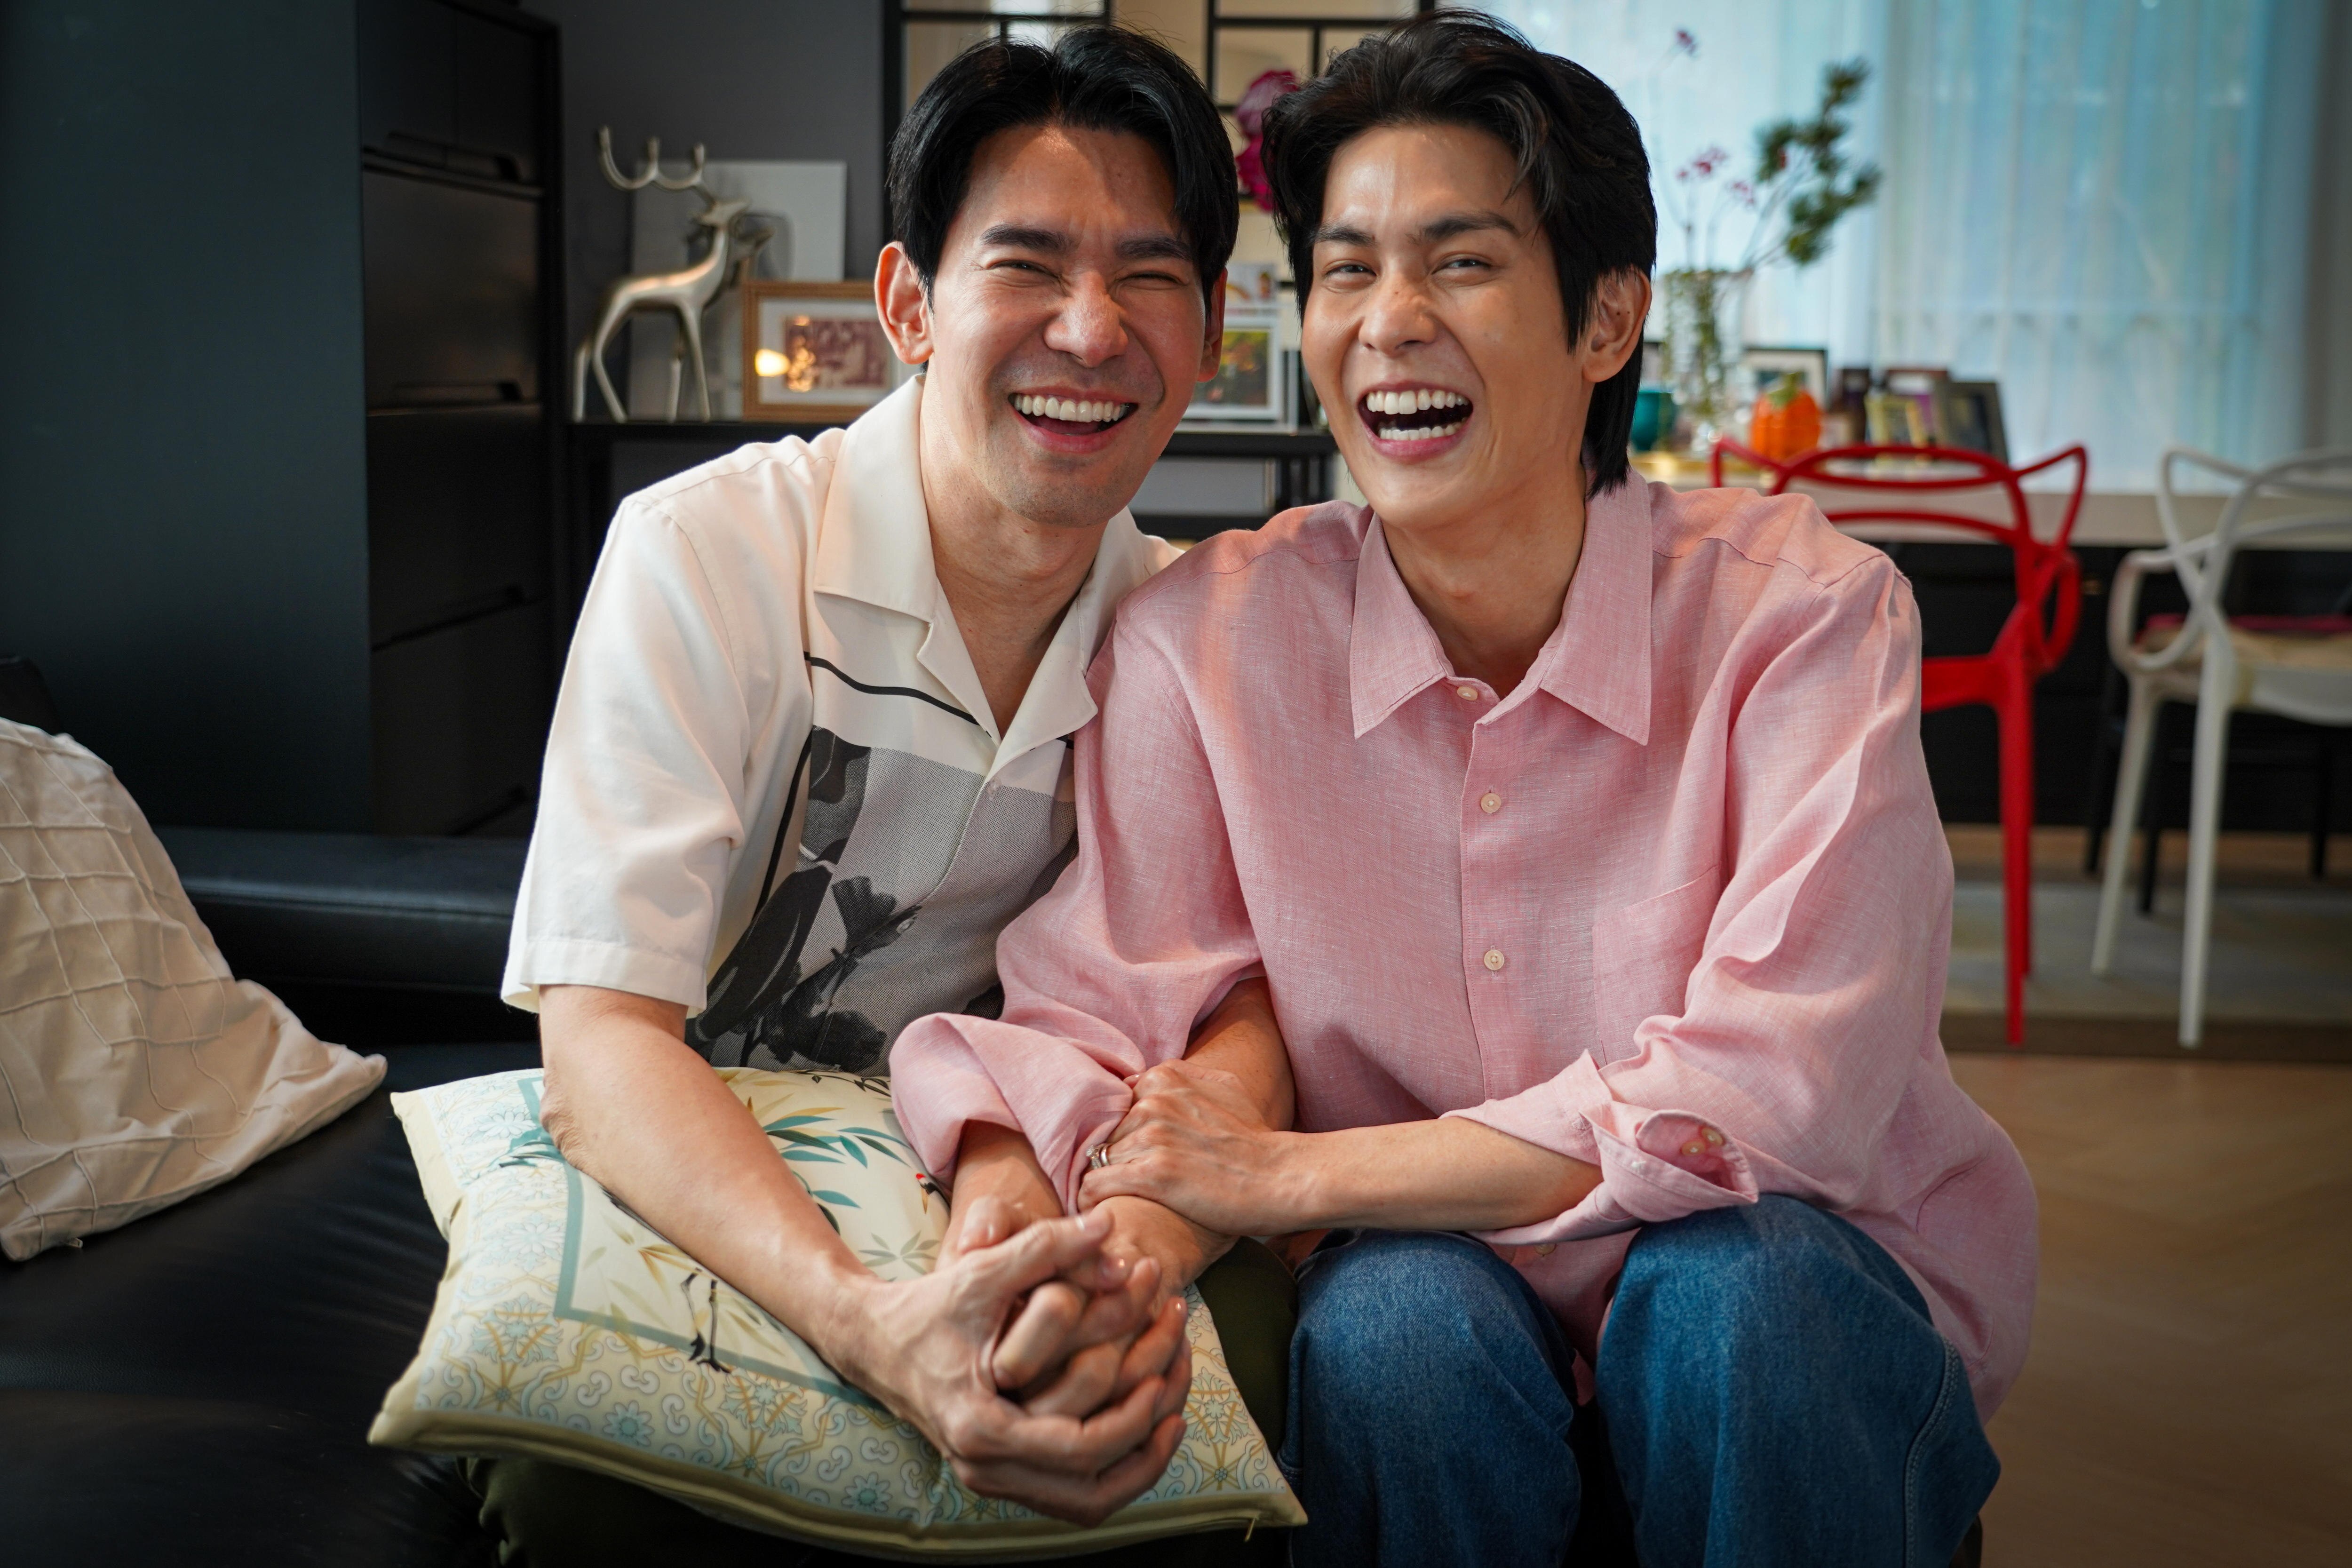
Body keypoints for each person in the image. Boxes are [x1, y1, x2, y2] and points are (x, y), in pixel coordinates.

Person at [891, 13, 2034, 1566]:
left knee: (1733, 1290)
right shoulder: (1204, 643)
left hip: (1791, 1321)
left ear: (1608, 320)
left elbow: (1772, 1101)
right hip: (1439, 1333)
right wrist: (1022, 1196)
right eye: (1345, 269)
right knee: (1388, 1321)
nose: (1390, 320)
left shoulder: (1807, 616)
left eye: (1462, 261)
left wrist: (1297, 1175)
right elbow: (1107, 1006)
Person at [493, 27, 1292, 1551]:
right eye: (1029, 265)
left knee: (1186, 1395)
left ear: (1209, 333)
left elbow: (1251, 1001)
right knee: (577, 1474)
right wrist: (870, 1326)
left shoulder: (1198, 630)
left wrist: (1123, 1251)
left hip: (1025, 1164)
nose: (1089, 328)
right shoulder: (708, 555)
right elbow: (601, 1039)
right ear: (909, 304)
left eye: (1148, 276)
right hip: (714, 1154)